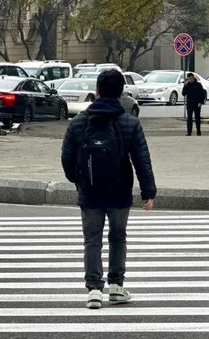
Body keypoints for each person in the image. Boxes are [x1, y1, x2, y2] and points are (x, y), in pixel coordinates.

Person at [61, 69, 156, 310]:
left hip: (89, 192)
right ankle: (116, 286)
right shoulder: (130, 123)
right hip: (120, 191)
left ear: (97, 91)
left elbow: (67, 158)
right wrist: (148, 192)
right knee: (118, 237)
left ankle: (94, 289)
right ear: (122, 92)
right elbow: (141, 159)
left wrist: (79, 180)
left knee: (92, 240)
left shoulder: (79, 122)